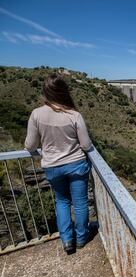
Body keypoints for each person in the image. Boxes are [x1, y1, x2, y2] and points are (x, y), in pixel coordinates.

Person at [25, 73, 92, 253]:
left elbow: (30, 145)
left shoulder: (36, 114)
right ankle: (82, 238)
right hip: (76, 165)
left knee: (62, 202)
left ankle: (67, 241)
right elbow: (86, 144)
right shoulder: (74, 115)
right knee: (80, 203)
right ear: (64, 92)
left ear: (45, 93)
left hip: (52, 167)